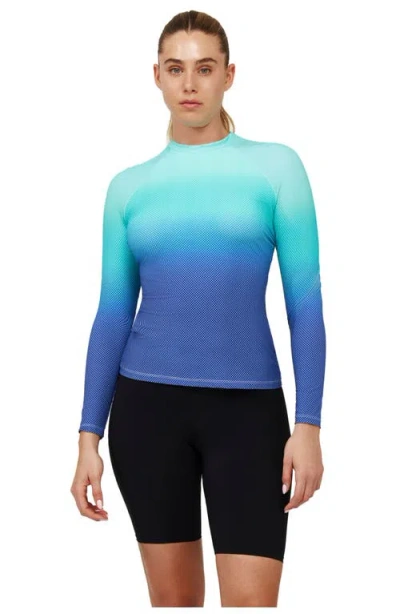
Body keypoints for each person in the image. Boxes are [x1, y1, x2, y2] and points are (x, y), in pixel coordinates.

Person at [70, 9, 326, 608]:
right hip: (146, 413)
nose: (189, 84)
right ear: (156, 76)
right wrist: (87, 436)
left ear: (229, 75)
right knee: (174, 603)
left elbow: (305, 305)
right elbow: (113, 314)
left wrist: (309, 424)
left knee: (252, 603)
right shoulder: (128, 187)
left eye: (205, 68)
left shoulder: (276, 168)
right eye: (176, 68)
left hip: (249, 416)